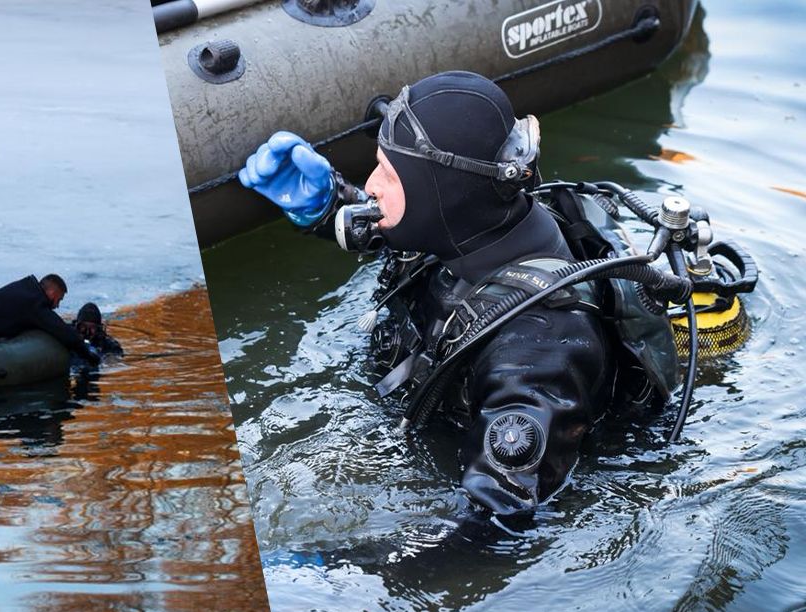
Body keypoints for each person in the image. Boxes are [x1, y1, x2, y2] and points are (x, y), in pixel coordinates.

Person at [239, 71, 686, 517]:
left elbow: (495, 521)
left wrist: (340, 557)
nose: (371, 185)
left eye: (388, 174)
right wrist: (332, 205)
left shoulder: (539, 349)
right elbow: (409, 230)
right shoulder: (479, 224)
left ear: (443, 196)